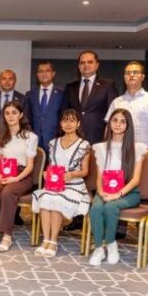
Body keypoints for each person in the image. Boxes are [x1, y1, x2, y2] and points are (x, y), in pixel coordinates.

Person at [88, 108, 147, 266]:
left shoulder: (137, 148)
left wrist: (118, 194)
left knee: (110, 207)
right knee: (96, 208)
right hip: (105, 190)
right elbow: (99, 176)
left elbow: (136, 179)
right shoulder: (100, 147)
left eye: (122, 121)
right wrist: (101, 192)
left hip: (128, 192)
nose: (118, 124)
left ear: (128, 126)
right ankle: (99, 248)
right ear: (109, 123)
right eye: (115, 120)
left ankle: (111, 243)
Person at [31, 109, 91, 257]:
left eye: (72, 120)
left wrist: (72, 174)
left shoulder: (84, 145)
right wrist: (46, 173)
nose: (68, 124)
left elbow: (85, 171)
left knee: (57, 200)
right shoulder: (53, 143)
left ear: (78, 124)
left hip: (74, 185)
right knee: (46, 198)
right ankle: (46, 239)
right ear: (60, 123)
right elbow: (51, 166)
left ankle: (53, 241)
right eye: (65, 120)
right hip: (54, 184)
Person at [0, 101, 38, 252]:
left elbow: (30, 166)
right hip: (4, 172)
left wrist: (16, 178)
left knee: (8, 192)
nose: (10, 116)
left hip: (22, 175)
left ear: (20, 115)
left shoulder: (30, 137)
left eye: (14, 113)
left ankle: (7, 235)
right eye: (7, 113)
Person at [105, 61, 148, 152]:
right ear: (124, 78)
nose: (131, 75)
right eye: (128, 73)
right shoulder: (116, 102)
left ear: (142, 77)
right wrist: (106, 148)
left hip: (143, 149)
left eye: (135, 72)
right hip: (119, 149)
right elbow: (108, 127)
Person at [64, 50, 118, 145]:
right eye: (82, 63)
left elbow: (113, 113)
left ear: (97, 65)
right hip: (74, 137)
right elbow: (65, 113)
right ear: (79, 66)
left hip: (99, 138)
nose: (86, 65)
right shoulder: (70, 87)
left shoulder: (108, 85)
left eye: (90, 62)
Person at [24, 61, 64, 151]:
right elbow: (27, 118)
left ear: (53, 74)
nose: (44, 74)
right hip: (34, 141)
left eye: (47, 71)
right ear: (37, 75)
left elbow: (63, 117)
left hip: (55, 140)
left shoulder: (62, 94)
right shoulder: (30, 95)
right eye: (41, 71)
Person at [0, 70, 25, 154]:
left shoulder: (23, 99)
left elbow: (25, 122)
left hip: (17, 141)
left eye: (10, 79)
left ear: (15, 81)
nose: (7, 81)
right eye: (4, 79)